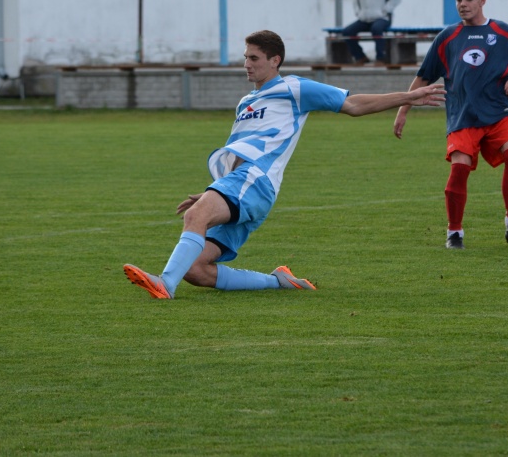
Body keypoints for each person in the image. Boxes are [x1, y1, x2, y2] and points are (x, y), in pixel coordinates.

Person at [123, 29, 445, 299]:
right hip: (243, 185)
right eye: (245, 57)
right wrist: (214, 192)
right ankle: (278, 281)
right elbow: (240, 152)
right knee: (196, 269)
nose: (246, 64)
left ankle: (165, 284)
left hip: (257, 180)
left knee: (195, 216)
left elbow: (352, 104)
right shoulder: (246, 102)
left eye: (254, 58)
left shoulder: (294, 88)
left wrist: (407, 97)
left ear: (275, 60)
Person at [393, 0, 508, 250]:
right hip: (462, 116)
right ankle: (455, 232)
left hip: (499, 112)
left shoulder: (503, 32)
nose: (463, 4)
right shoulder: (447, 37)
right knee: (459, 168)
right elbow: (423, 77)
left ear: (483, 0)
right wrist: (403, 110)